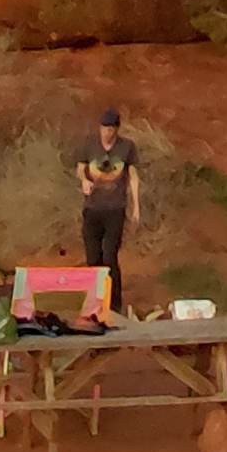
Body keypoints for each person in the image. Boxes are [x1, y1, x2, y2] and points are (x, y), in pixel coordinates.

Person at [74, 108, 142, 316]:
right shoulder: (90, 145)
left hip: (115, 209)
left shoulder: (126, 147)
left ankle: (114, 305)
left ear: (116, 129)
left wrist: (136, 206)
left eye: (110, 128)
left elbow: (133, 177)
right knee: (92, 257)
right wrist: (84, 180)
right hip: (92, 208)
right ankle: (94, 303)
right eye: (103, 128)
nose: (106, 132)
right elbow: (80, 167)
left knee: (110, 256)